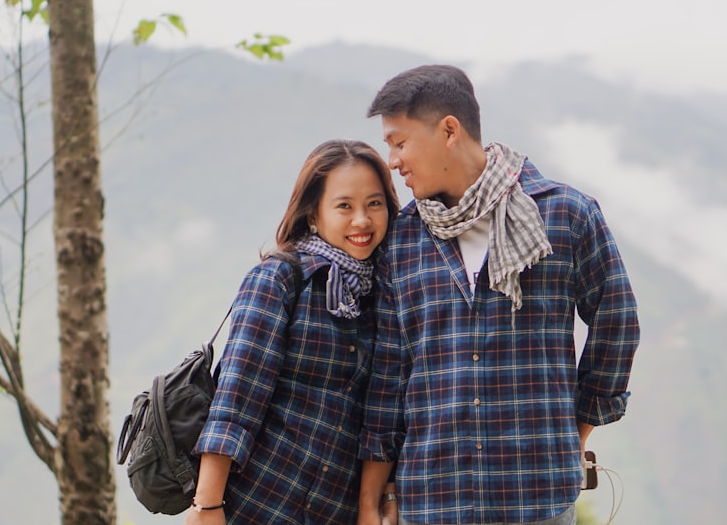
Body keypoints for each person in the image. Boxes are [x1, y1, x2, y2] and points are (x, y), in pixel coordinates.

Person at [357, 65, 640, 525]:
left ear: (449, 130)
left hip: (538, 499)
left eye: (400, 142)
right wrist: (375, 501)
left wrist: (575, 430)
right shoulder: (403, 240)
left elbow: (618, 322)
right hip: (430, 502)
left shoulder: (565, 214)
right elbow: (389, 379)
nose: (392, 160)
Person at [185, 139, 400, 525]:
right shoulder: (280, 279)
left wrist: (378, 501)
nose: (362, 221)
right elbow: (237, 398)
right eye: (344, 206)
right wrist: (207, 507)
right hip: (254, 504)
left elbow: (381, 418)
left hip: (333, 512)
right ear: (314, 214)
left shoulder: (384, 297)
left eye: (374, 203)